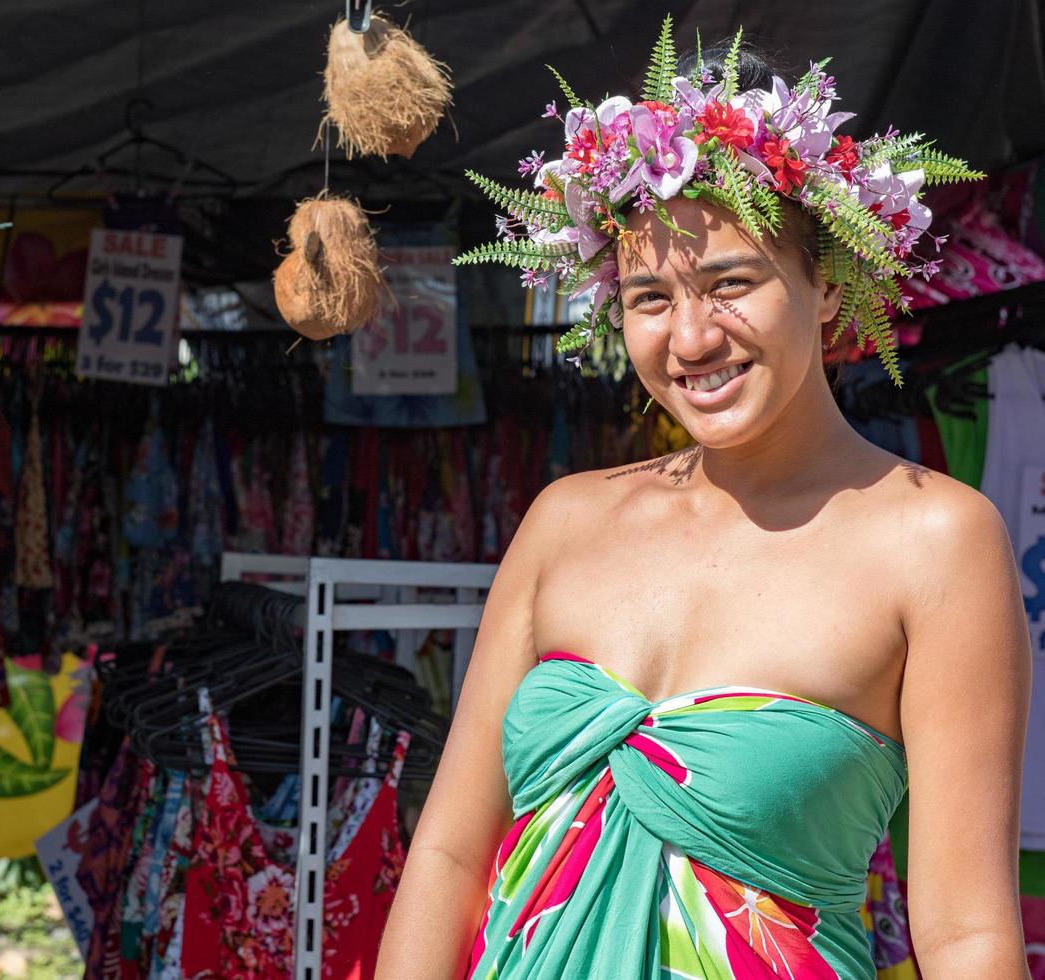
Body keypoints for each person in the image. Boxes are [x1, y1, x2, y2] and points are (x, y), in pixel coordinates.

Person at [378, 35, 1031, 979]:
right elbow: (446, 856)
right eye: (649, 296)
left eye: (731, 282)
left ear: (829, 282)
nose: (691, 337)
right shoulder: (565, 522)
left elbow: (966, 933)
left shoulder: (935, 541)